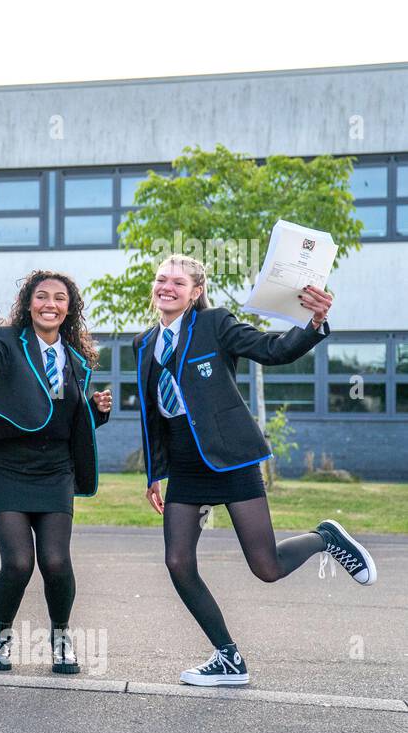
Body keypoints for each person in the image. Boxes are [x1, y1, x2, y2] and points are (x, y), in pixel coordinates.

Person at [134, 254, 376, 686]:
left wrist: (313, 323)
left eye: (177, 282)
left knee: (266, 567)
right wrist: (155, 472)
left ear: (195, 291)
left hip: (233, 459)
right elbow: (154, 417)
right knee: (177, 562)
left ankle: (326, 538)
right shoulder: (143, 344)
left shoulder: (215, 325)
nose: (166, 287)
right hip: (186, 469)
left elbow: (272, 349)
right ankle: (228, 657)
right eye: (160, 279)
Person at [0, 270, 112, 673]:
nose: (50, 304)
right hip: (7, 469)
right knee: (18, 562)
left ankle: (62, 637)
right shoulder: (5, 342)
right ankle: (1, 636)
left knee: (55, 562)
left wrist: (95, 411)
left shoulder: (75, 358)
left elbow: (65, 418)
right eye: (42, 296)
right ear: (28, 302)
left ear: (70, 308)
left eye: (59, 298)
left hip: (55, 472)